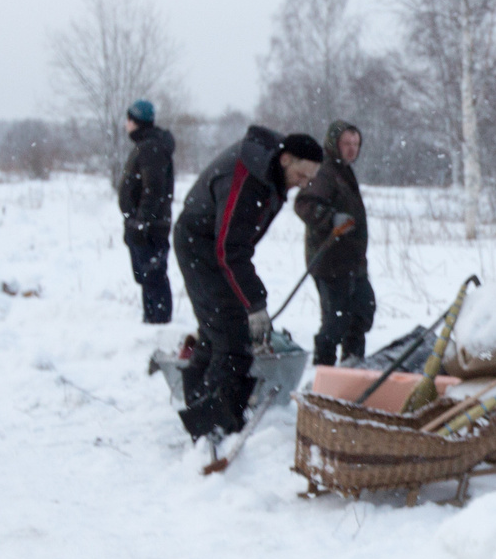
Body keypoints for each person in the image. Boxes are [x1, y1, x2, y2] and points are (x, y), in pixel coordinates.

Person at [170, 124, 321, 441]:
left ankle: (199, 411)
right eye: (301, 175)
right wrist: (255, 303)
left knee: (215, 333)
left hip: (214, 247)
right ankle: (216, 427)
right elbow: (230, 249)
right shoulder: (247, 177)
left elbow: (234, 246)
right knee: (232, 339)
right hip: (200, 246)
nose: (302, 184)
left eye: (309, 179)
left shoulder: (270, 170)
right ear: (286, 160)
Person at [292, 118, 373, 365]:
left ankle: (352, 364)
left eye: (356, 144)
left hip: (353, 263)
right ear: (333, 144)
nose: (352, 149)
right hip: (331, 263)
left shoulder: (344, 171)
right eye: (346, 143)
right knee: (335, 322)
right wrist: (330, 219)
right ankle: (323, 369)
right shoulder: (325, 172)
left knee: (362, 313)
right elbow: (304, 203)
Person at [116, 100, 176, 325]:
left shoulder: (151, 147)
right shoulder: (147, 145)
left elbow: (153, 190)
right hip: (145, 224)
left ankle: (159, 323)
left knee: (153, 274)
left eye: (129, 120)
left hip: (150, 227)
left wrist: (141, 222)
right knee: (147, 275)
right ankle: (151, 319)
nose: (126, 124)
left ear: (135, 122)